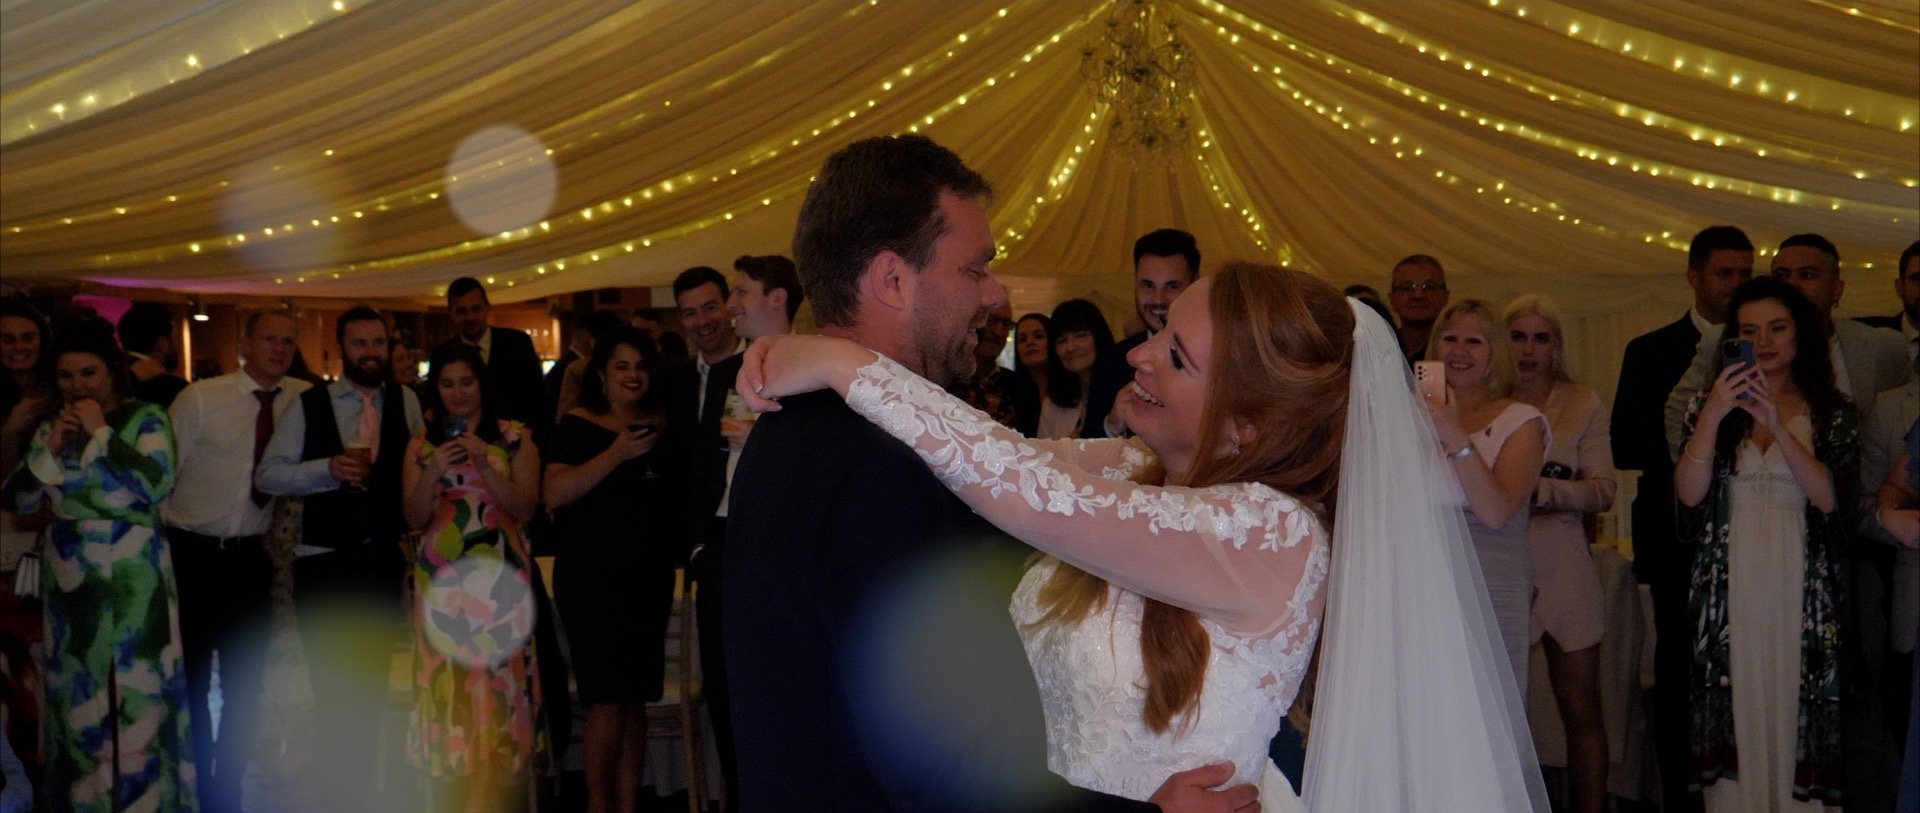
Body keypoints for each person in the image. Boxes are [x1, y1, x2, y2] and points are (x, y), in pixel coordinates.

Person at [740, 256, 1551, 811]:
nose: (1138, 354)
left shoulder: (1272, 531)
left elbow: (1024, 491)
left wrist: (848, 366)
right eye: (1156, 333)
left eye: (1177, 356)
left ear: (1243, 425)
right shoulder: (1135, 468)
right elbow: (1001, 457)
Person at [725, 134, 1248, 812]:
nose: (995, 293)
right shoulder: (877, 467)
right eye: (976, 268)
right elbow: (956, 772)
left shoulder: (804, 426)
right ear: (892, 279)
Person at [1675, 277, 1855, 810]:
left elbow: (1830, 500)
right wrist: (1712, 412)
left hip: (1800, 578)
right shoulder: (1709, 408)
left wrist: (1777, 424)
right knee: (1738, 703)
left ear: (1801, 334)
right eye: (1750, 331)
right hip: (1729, 582)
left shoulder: (1832, 409)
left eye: (1778, 328)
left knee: (1792, 701)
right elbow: (1689, 495)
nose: (1767, 341)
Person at [2, 317, 195, 812]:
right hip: (71, 575)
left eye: (88, 374)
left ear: (111, 371)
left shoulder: (148, 418)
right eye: (66, 377)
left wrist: (103, 433)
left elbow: (155, 485)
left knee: (139, 688)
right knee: (77, 691)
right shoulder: (52, 427)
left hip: (137, 571)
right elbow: (18, 501)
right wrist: (48, 449)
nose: (77, 386)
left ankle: (147, 800)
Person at [256, 305, 424, 813]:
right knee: (331, 692)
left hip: (378, 561)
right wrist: (327, 469)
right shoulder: (310, 404)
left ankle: (364, 794)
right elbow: (268, 476)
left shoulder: (408, 401)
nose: (371, 353)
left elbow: (417, 472)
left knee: (372, 686)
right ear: (340, 349)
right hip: (323, 562)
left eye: (379, 343)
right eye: (360, 344)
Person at [1614, 224, 1752, 812]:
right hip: (1675, 541)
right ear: (1693, 276)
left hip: (1749, 537)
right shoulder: (1650, 350)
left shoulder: (1768, 345)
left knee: (1745, 671)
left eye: (1745, 273)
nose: (1735, 285)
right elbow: (1627, 442)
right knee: (1677, 674)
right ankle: (1680, 797)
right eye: (1724, 273)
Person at [163, 309, 310, 813]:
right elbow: (162, 477)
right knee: (195, 681)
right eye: (269, 338)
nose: (279, 348)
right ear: (243, 344)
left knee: (248, 685)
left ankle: (227, 788)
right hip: (193, 553)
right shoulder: (200, 399)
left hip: (252, 557)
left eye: (288, 340)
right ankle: (199, 782)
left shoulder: (301, 398)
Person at [544, 327, 689, 813]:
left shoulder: (663, 424)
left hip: (645, 578)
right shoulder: (578, 425)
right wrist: (616, 454)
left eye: (641, 366)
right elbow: (554, 494)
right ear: (602, 374)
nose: (633, 375)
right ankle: (597, 805)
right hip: (592, 579)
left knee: (634, 700)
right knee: (606, 699)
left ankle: (629, 805)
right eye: (621, 366)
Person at [402, 343, 547, 813]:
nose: (458, 392)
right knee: (454, 688)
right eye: (447, 383)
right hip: (442, 579)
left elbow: (526, 507)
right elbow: (413, 515)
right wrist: (433, 472)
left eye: (467, 381)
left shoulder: (516, 437)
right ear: (436, 389)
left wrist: (485, 463)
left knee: (497, 688)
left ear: (482, 383)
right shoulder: (422, 445)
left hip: (500, 578)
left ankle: (489, 797)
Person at [1506, 294, 1613, 813]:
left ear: (1557, 346)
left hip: (1564, 560)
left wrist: (1545, 492)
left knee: (1583, 712)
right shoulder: (1483, 399)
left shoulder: (1583, 400)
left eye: (1540, 338)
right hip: (1502, 563)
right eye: (1518, 336)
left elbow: (1604, 490)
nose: (1528, 350)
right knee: (1500, 713)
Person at [1423, 298, 1548, 692]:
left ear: (1496, 354)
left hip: (1490, 587)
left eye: (1474, 341)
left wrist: (1454, 433)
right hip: (1424, 586)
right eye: (1450, 339)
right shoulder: (1410, 419)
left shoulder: (1521, 422)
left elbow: (1496, 511)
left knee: (1488, 711)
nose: (1459, 351)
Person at [0, 298, 53, 778]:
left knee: (50, 664)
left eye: (28, 337)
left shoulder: (62, 391)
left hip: (56, 540)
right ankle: (30, 772)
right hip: (6, 546)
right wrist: (10, 433)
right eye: (8, 338)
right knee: (17, 670)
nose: (18, 347)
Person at [1084, 228, 1199, 439]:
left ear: (1194, 286)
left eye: (1171, 286)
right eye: (1148, 286)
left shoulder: (1213, 357)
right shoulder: (1110, 361)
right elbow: (1086, 447)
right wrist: (1112, 425)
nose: (1158, 299)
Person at [438, 277, 549, 441]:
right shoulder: (442, 354)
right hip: (462, 449)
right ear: (451, 313)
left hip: (516, 444)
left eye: (476, 309)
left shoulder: (517, 343)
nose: (470, 317)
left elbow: (538, 400)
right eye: (462, 311)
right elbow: (438, 408)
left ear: (487, 308)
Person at [1036, 298, 1115, 439]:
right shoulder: (1053, 405)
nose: (1071, 347)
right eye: (1062, 340)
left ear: (1099, 337)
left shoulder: (1122, 393)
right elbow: (1043, 457)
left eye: (1080, 336)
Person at [947, 295, 1020, 431]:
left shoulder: (1021, 387)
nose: (998, 331)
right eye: (991, 320)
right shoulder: (944, 377)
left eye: (1006, 324)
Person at [118, 302, 189, 408]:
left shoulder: (112, 378)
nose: (177, 345)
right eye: (175, 338)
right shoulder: (173, 387)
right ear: (163, 344)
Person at [1389, 254, 1450, 363]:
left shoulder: (1454, 351)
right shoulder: (1379, 348)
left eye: (1429, 287)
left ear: (1445, 297)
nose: (1418, 295)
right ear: (1392, 299)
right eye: (1407, 288)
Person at [1008, 311, 1049, 436]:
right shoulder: (1010, 390)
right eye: (1022, 339)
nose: (1029, 342)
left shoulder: (1073, 389)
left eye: (1038, 336)